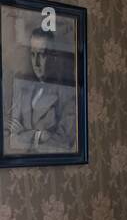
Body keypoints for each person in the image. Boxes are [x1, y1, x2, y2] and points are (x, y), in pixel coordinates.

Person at [5, 25, 76, 155]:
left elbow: (64, 141)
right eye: (33, 54)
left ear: (54, 56)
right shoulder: (24, 88)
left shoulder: (68, 93)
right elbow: (8, 132)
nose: (36, 63)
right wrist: (40, 135)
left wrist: (26, 135)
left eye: (42, 55)